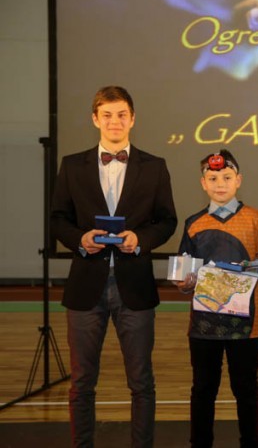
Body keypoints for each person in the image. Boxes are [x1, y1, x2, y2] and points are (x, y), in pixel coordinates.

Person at [50, 86, 177, 447]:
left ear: (132, 119)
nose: (114, 122)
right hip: (85, 286)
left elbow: (167, 221)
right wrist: (80, 239)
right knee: (81, 383)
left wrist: (140, 239)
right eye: (107, 115)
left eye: (122, 114)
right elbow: (57, 219)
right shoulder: (71, 165)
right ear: (95, 119)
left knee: (141, 382)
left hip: (134, 286)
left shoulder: (154, 166)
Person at [175, 149, 258, 448]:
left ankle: (252, 443)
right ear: (203, 183)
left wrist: (245, 269)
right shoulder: (193, 223)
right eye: (213, 178)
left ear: (238, 180)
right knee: (203, 388)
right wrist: (184, 282)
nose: (220, 184)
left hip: (246, 322)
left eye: (227, 177)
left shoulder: (256, 218)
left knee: (246, 388)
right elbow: (182, 275)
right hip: (203, 322)